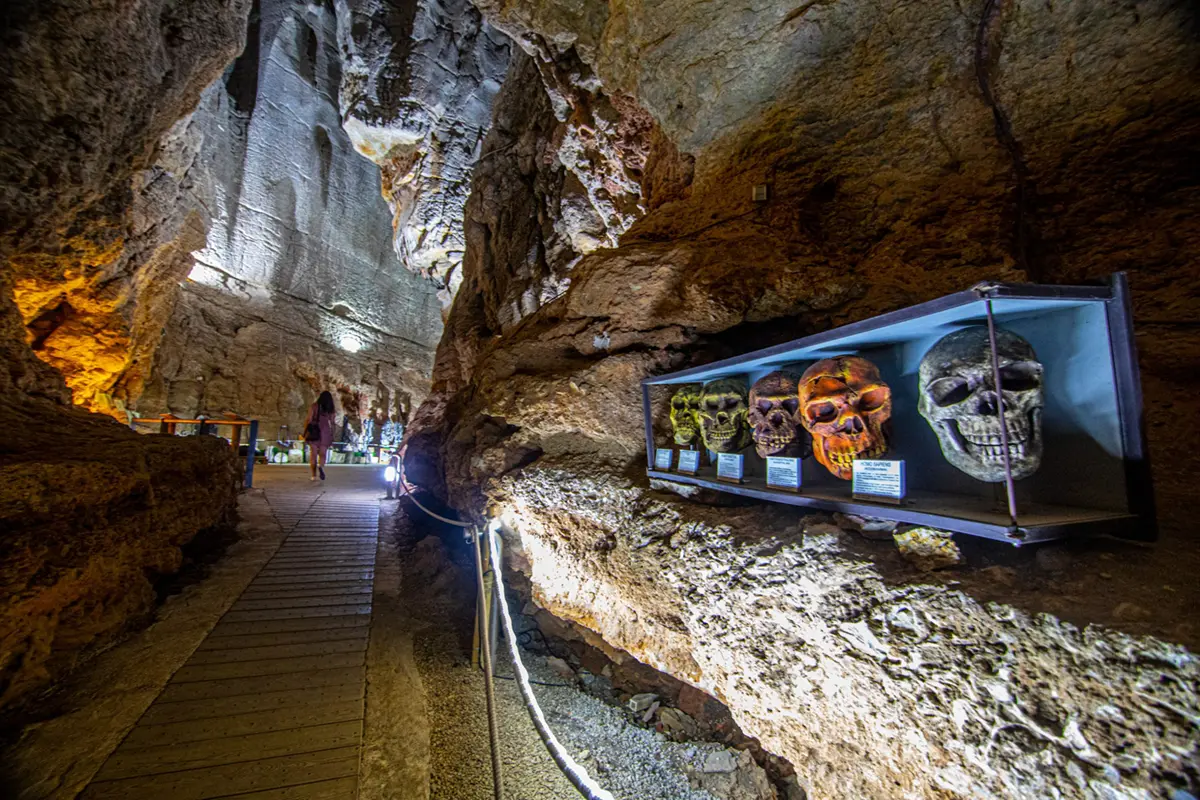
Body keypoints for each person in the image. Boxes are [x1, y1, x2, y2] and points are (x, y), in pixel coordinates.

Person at [303, 391, 336, 481]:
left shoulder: (314, 406)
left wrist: (305, 431)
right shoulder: (330, 408)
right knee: (323, 453)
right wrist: (332, 434)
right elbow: (333, 423)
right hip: (325, 432)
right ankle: (321, 466)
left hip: (315, 431)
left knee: (313, 454)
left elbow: (308, 419)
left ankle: (313, 475)